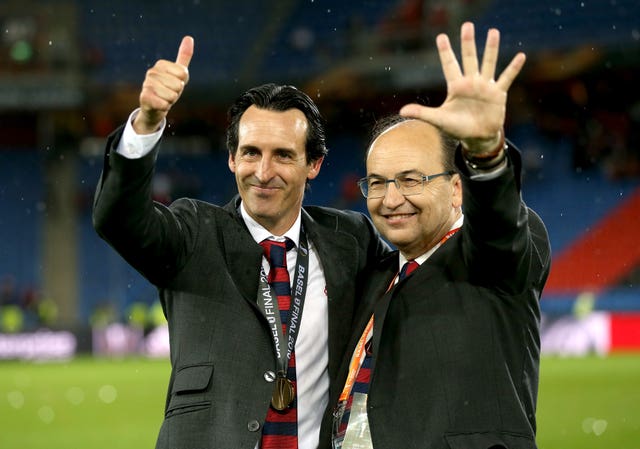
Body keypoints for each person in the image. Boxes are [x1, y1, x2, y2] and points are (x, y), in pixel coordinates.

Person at [92, 36, 390, 449]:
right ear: (231, 158)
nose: (263, 172)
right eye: (250, 153)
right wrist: (146, 124)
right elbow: (118, 220)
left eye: (283, 155)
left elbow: (418, 276)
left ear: (314, 165)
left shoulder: (351, 240)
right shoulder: (194, 232)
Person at [326, 22, 552, 449]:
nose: (391, 198)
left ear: (456, 188)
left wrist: (486, 153)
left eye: (411, 180)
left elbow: (500, 227)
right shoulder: (376, 275)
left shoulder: (489, 259)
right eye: (377, 182)